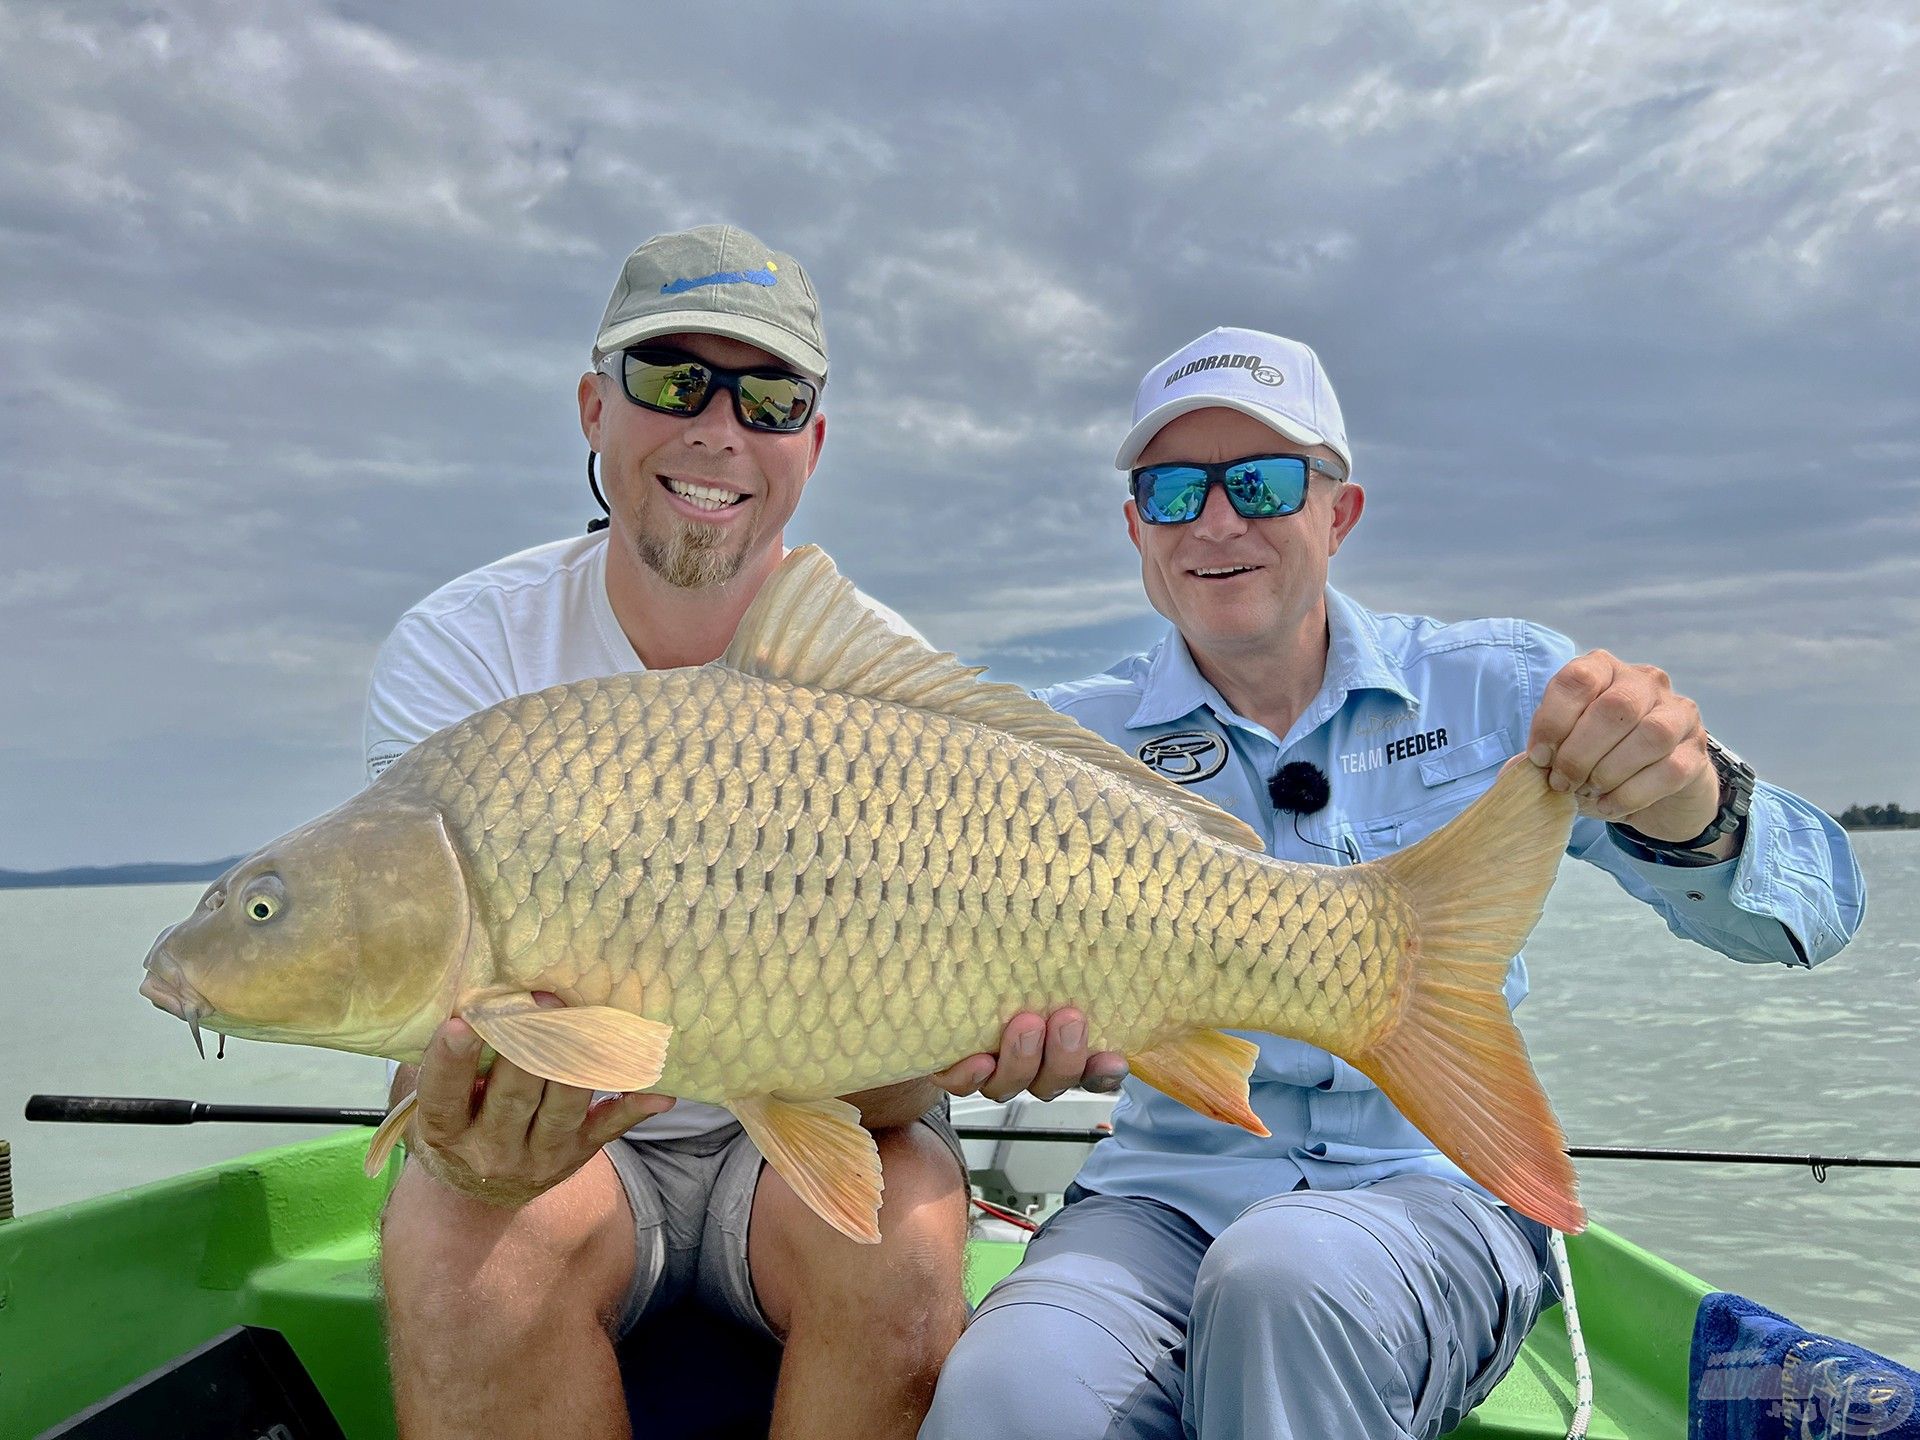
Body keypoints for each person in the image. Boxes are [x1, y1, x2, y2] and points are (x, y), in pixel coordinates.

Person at [921, 326, 1867, 1440]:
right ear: (1136, 527)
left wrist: (1690, 805)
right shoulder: (1052, 741)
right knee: (1004, 1389)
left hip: (1433, 1194)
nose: (1217, 521)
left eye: (1262, 482)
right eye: (1173, 490)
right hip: (1154, 1205)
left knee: (1285, 1281)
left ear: (1339, 512)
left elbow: (1815, 916)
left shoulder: (1499, 685)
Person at [362, 224, 1122, 1440]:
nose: (718, 429)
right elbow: (444, 1030)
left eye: (770, 398)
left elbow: (878, 1098)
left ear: (810, 447)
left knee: (906, 1240)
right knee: (458, 1237)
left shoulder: (882, 686)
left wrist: (970, 1042)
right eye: (672, 381)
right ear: (592, 409)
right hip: (576, 1154)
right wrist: (470, 1144)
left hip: (822, 1114)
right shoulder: (467, 651)